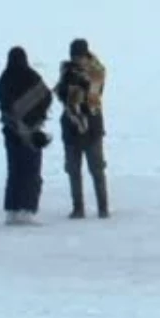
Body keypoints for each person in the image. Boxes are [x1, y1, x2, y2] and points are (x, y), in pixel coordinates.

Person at [53, 38, 110, 219]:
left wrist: (75, 85)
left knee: (97, 169)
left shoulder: (96, 70)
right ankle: (78, 207)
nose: (76, 60)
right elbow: (60, 92)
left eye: (79, 56)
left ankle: (103, 207)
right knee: (73, 170)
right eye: (74, 56)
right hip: (71, 125)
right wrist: (66, 87)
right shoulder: (67, 70)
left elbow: (92, 96)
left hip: (91, 125)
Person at [0, 46, 53, 225]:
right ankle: (27, 210)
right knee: (31, 172)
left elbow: (5, 108)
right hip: (31, 132)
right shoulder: (32, 76)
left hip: (11, 133)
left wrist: (17, 120)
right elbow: (47, 96)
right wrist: (37, 117)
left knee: (14, 172)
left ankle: (11, 211)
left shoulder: (3, 79)